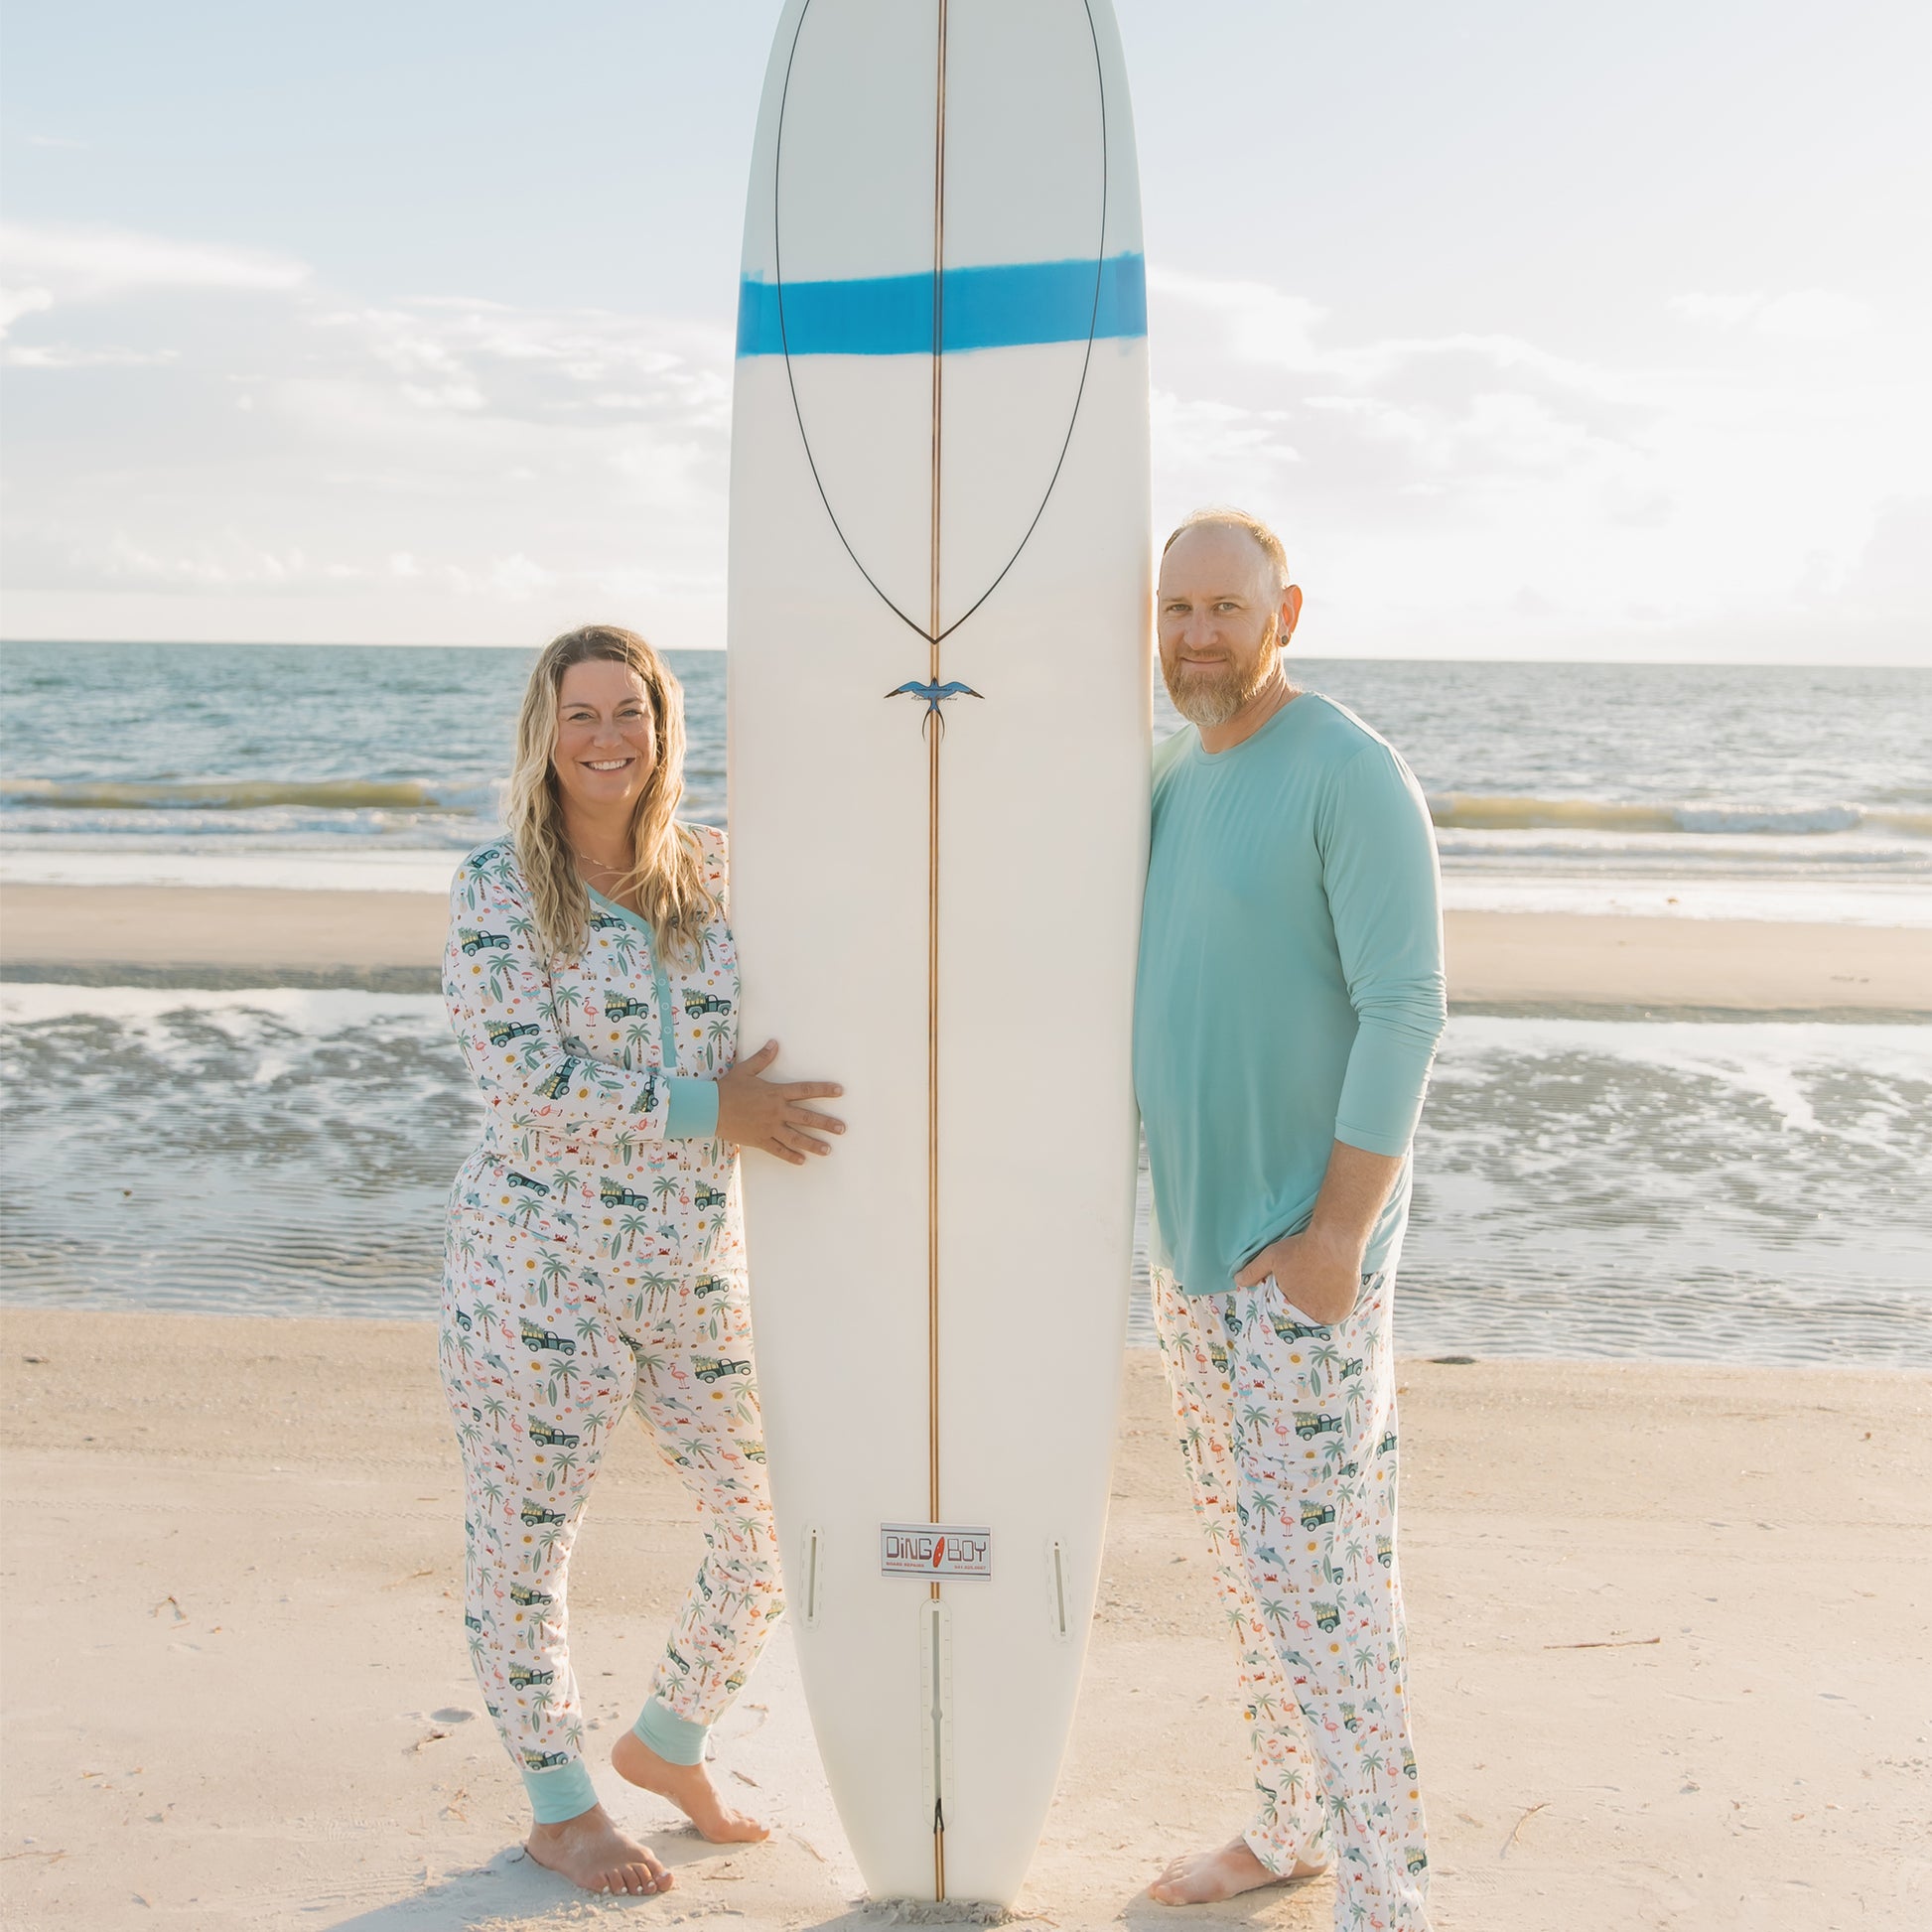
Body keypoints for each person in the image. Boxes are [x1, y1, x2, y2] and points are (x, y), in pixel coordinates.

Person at [439, 624, 844, 1897]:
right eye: (582, 714)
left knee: (777, 1518)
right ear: (544, 734)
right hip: (535, 1272)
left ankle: (668, 1737)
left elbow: (844, 935)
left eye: (630, 711)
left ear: (664, 728)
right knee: (525, 1549)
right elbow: (522, 1079)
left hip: (693, 1267)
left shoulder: (713, 874)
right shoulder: (496, 888)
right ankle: (561, 1806)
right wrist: (713, 1110)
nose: (607, 736)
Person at [1134, 511, 1445, 1929]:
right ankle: (1287, 1821)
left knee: (1327, 1597)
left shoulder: (1345, 768)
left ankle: (1388, 1902)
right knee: (1253, 1571)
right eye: (1175, 608)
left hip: (1300, 1256)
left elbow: (1404, 1009)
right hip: (1195, 1255)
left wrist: (1333, 1241)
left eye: (1224, 606)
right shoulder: (1171, 772)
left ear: (1285, 613)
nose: (1197, 633)